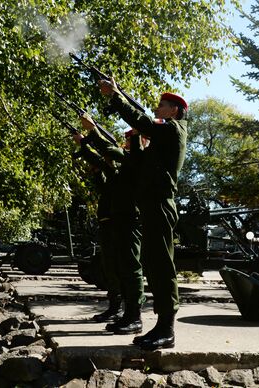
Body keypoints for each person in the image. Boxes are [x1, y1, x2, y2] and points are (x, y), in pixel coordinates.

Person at [99, 79, 188, 351]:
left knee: (161, 265)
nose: (157, 108)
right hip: (150, 204)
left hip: (160, 204)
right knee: (152, 263)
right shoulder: (159, 141)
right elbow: (134, 163)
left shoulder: (174, 130)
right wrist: (135, 138)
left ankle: (167, 329)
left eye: (162, 105)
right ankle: (161, 326)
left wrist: (116, 98)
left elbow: (148, 123)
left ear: (174, 110)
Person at [75, 121, 146, 334]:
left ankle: (134, 315)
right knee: (114, 267)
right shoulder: (124, 167)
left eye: (130, 140)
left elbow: (108, 153)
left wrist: (88, 138)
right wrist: (93, 162)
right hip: (115, 220)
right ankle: (121, 310)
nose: (125, 144)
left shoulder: (139, 160)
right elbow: (107, 184)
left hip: (130, 220)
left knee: (131, 269)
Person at [72, 134, 124, 323]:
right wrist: (96, 173)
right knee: (108, 265)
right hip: (107, 221)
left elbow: (106, 167)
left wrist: (84, 145)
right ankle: (114, 306)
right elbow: (105, 188)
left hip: (118, 222)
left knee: (119, 267)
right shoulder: (113, 174)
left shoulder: (124, 170)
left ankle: (122, 308)